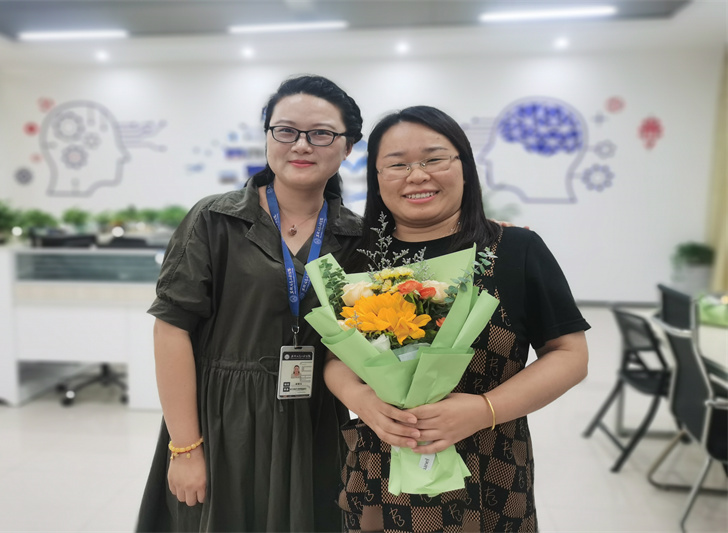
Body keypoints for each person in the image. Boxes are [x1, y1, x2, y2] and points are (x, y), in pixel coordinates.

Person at [324, 105, 590, 532]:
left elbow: (570, 355)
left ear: (464, 166)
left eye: (434, 159)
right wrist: (363, 402)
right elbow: (337, 359)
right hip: (382, 466)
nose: (417, 175)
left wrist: (484, 409)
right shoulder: (358, 259)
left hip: (490, 464)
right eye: (397, 164)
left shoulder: (515, 249)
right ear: (376, 177)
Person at [136, 75, 365, 532]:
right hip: (223, 419)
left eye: (321, 133)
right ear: (267, 137)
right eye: (286, 130)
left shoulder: (358, 236)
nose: (301, 145)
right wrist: (185, 448)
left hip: (314, 420)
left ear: (348, 147)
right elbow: (171, 328)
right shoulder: (215, 219)